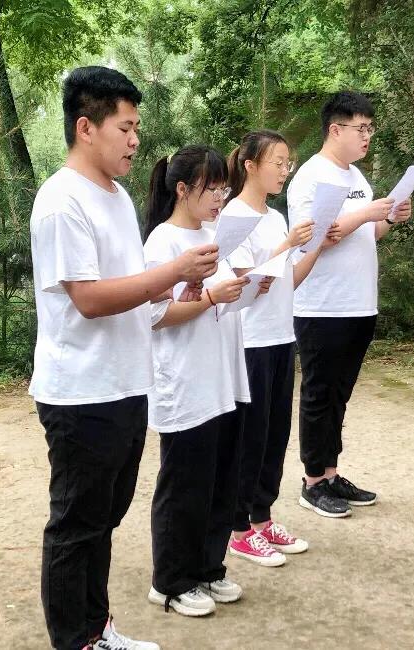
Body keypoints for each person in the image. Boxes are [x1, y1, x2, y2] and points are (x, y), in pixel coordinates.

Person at [29, 66, 218, 650]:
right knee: (76, 524)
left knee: (103, 519)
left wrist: (176, 285)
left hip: (124, 384)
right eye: (125, 127)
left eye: (137, 128)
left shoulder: (114, 196)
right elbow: (88, 299)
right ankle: (76, 640)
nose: (136, 140)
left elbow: (131, 285)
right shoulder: (61, 200)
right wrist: (171, 271)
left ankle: (96, 630)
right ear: (86, 128)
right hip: (81, 391)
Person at [286, 90, 412, 519]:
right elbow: (314, 236)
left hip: (359, 303)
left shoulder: (356, 177)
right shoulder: (311, 177)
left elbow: (368, 234)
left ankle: (331, 472)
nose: (367, 136)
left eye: (370, 128)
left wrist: (388, 217)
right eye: (361, 128)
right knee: (319, 393)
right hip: (322, 305)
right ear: (334, 130)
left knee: (340, 395)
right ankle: (312, 482)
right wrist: (366, 213)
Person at [142, 145, 252, 617]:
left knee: (221, 480)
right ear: (183, 189)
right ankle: (171, 581)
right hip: (186, 382)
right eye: (212, 189)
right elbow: (155, 316)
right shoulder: (162, 244)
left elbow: (218, 297)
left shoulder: (215, 235)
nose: (219, 198)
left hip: (222, 376)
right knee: (185, 485)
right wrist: (210, 298)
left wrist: (249, 285)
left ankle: (208, 567)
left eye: (224, 189)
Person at [223, 130, 325, 566]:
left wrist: (315, 246)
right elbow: (248, 285)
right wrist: (287, 245)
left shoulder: (276, 217)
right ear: (250, 165)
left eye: (288, 163)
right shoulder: (234, 216)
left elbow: (288, 281)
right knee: (249, 437)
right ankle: (238, 528)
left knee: (275, 434)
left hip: (282, 337)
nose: (285, 171)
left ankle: (262, 518)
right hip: (251, 342)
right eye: (278, 163)